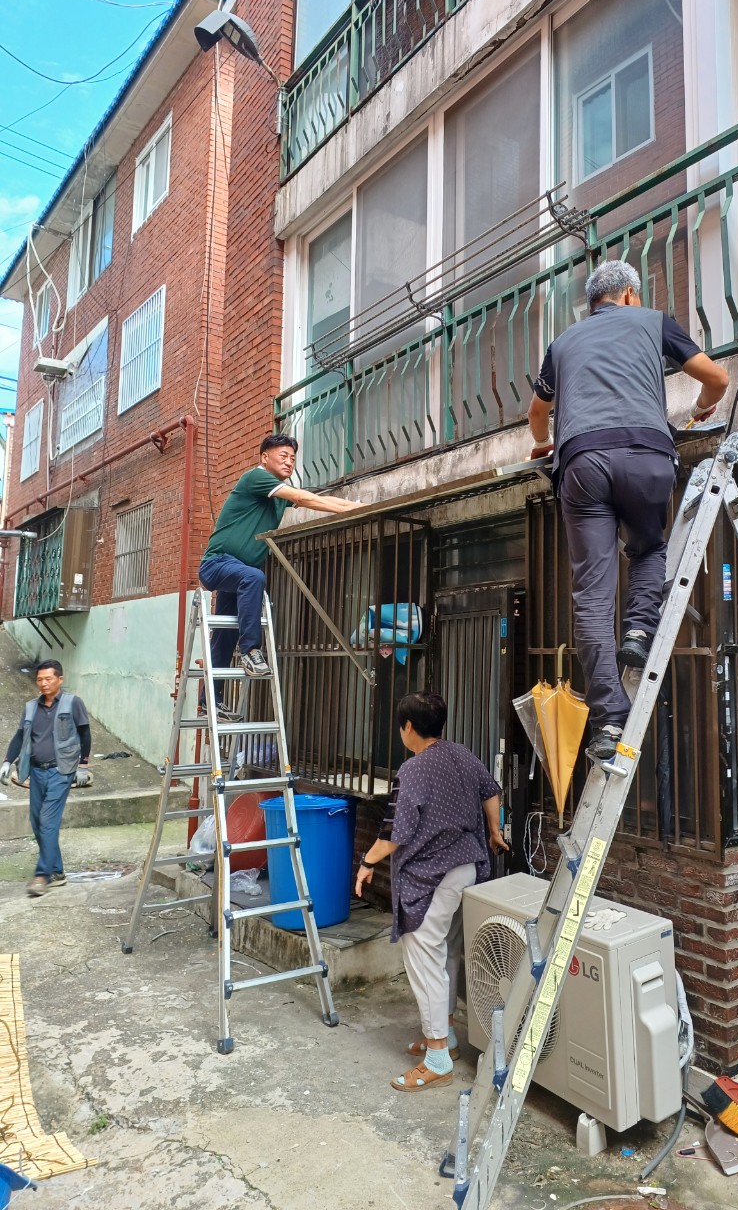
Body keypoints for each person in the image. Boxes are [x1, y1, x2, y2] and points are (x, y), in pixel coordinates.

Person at [527, 259, 729, 762]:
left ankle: (610, 722)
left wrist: (542, 444)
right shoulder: (653, 321)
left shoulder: (562, 344)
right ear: (631, 295)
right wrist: (701, 408)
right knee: (648, 548)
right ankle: (640, 631)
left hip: (582, 462)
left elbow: (536, 412)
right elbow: (717, 378)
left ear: (595, 302)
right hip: (647, 455)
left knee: (592, 597)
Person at [354, 692, 509, 1092]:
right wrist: (495, 830)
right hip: (470, 868)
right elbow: (491, 790)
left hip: (433, 877)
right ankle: (449, 1035)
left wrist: (368, 863)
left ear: (408, 728)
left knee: (424, 956)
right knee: (449, 951)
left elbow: (395, 832)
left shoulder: (414, 770)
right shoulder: (462, 754)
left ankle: (437, 1056)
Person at [199, 433, 361, 718]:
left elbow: (309, 500)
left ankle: (209, 702)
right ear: (265, 457)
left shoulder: (276, 495)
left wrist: (351, 507)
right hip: (218, 563)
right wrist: (354, 508)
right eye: (283, 456)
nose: (289, 462)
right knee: (255, 577)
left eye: (293, 459)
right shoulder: (255, 478)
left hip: (236, 574)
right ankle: (251, 652)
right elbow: (301, 497)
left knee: (225, 637)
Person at [0, 660, 92, 897]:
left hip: (61, 771)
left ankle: (43, 875)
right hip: (36, 771)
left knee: (48, 820)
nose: (43, 683)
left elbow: (85, 733)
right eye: (39, 679)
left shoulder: (73, 703)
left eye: (48, 678)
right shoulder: (31, 707)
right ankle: (58, 872)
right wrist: (7, 762)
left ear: (59, 679)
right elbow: (20, 736)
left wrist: (83, 764)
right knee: (36, 821)